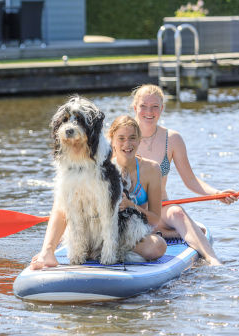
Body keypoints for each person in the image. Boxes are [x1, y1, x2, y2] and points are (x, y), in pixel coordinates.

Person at [30, 116, 166, 270]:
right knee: (64, 199)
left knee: (158, 247)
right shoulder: (99, 166)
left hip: (127, 230)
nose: (127, 144)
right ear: (111, 140)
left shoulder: (152, 169)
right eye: (121, 138)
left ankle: (110, 250)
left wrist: (130, 205)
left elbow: (155, 219)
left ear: (140, 140)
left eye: (132, 138)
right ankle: (48, 250)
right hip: (94, 229)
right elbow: (66, 206)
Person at [130, 84, 239, 266]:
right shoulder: (123, 137)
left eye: (155, 106)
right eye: (143, 106)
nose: (149, 112)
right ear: (135, 108)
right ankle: (169, 233)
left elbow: (190, 180)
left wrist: (217, 194)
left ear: (162, 109)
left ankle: (212, 259)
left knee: (178, 212)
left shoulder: (172, 139)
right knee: (195, 228)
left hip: (161, 210)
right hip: (132, 213)